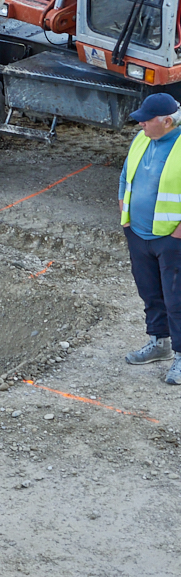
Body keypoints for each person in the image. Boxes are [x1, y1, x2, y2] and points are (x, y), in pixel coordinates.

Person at [120, 92, 181, 385]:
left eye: (147, 119)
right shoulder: (142, 139)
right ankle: (160, 344)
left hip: (171, 239)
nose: (141, 123)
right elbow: (125, 177)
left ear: (166, 121)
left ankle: (180, 357)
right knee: (150, 293)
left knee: (176, 299)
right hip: (138, 234)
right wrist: (125, 215)